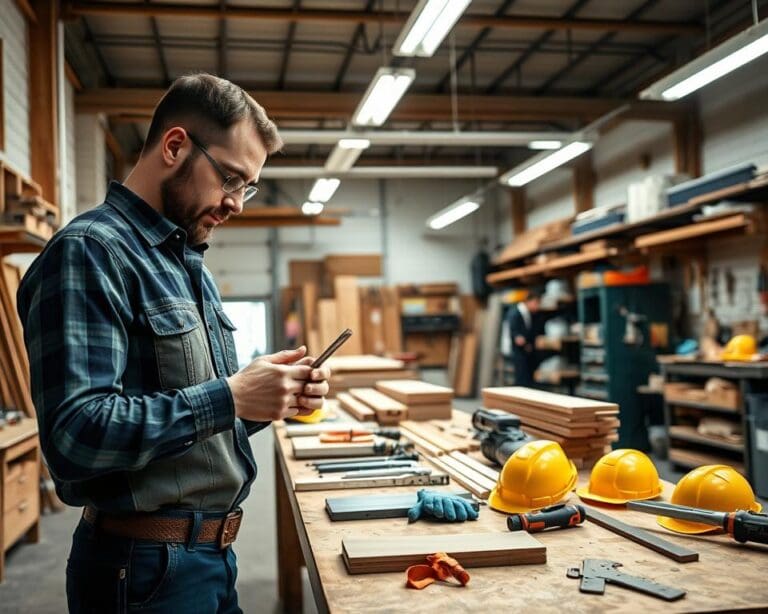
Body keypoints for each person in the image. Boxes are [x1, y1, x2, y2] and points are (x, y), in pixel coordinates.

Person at [17, 74, 330, 613]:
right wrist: (229, 396)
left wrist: (267, 396)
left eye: (247, 187)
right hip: (141, 571)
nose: (236, 203)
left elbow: (193, 420)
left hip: (210, 560)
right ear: (175, 146)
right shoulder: (91, 252)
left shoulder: (186, 263)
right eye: (231, 178)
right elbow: (75, 436)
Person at [507, 288, 542, 387]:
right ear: (528, 301)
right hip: (519, 352)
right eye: (536, 303)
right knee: (521, 380)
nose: (537, 306)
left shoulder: (528, 314)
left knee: (528, 380)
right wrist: (524, 343)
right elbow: (517, 336)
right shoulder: (515, 313)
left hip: (527, 351)